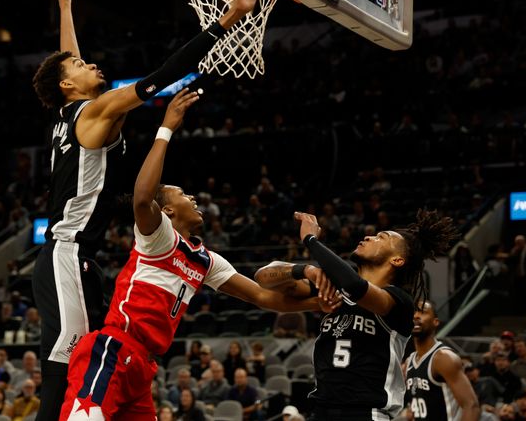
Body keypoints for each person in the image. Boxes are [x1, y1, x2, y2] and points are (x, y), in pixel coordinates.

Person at [31, 0, 262, 420]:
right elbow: (161, 77)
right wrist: (229, 19)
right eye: (80, 63)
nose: (90, 61)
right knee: (67, 357)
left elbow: (65, 64)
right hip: (66, 251)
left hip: (78, 256)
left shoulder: (69, 111)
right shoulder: (92, 113)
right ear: (66, 84)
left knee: (87, 357)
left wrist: (65, 6)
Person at [58, 91, 338, 420]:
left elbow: (264, 296)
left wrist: (315, 304)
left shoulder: (205, 260)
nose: (192, 197)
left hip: (143, 366)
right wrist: (166, 129)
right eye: (182, 194)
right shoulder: (159, 237)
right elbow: (142, 198)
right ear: (167, 211)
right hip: (115, 349)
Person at [256, 209, 457, 420]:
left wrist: (310, 239)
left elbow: (354, 285)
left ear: (397, 260)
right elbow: (263, 277)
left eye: (382, 237)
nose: (369, 236)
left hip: (366, 413)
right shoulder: (333, 289)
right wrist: (304, 269)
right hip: (322, 410)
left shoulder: (399, 301)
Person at [404, 300, 480, 420]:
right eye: (412, 312)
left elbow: (471, 406)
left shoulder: (444, 358)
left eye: (422, 312)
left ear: (436, 322)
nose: (416, 316)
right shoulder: (408, 362)